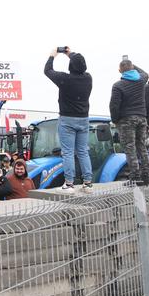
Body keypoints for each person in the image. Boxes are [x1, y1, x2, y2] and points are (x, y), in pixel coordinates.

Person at [44, 47, 93, 193]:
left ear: (71, 65)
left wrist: (52, 56)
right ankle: (88, 183)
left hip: (67, 119)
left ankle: (69, 184)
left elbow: (47, 70)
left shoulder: (64, 79)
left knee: (68, 152)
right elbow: (78, 62)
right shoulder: (88, 78)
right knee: (83, 151)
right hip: (84, 119)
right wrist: (69, 53)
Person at [109, 59, 149, 186]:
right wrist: (132, 66)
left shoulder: (118, 85)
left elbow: (114, 106)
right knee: (141, 146)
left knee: (130, 147)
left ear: (119, 70)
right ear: (132, 68)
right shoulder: (141, 80)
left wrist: (115, 120)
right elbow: (144, 72)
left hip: (126, 119)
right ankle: (145, 177)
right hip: (142, 117)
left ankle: (135, 177)